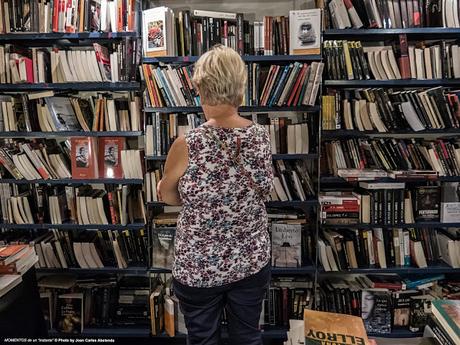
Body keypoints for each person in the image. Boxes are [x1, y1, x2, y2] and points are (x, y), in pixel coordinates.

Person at [157, 45, 274, 345]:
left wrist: (203, 201)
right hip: (250, 262)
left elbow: (167, 197)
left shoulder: (187, 143)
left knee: (202, 340)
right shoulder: (261, 137)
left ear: (199, 86)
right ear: (240, 87)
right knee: (248, 337)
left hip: (198, 267)